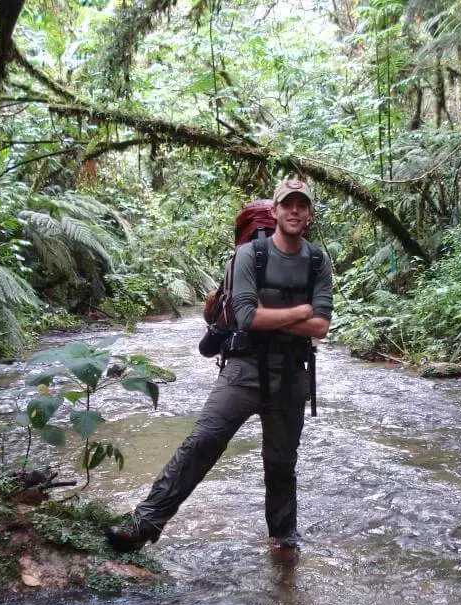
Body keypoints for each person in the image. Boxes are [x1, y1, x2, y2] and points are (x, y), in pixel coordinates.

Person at [105, 178, 333, 552]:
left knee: (280, 464)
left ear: (308, 213)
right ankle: (144, 523)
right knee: (203, 442)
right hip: (243, 368)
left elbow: (321, 327)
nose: (294, 211)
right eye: (287, 204)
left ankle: (283, 541)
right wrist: (301, 312)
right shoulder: (249, 256)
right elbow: (245, 317)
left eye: (301, 205)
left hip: (292, 374)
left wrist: (274, 315)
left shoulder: (317, 261)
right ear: (274, 211)